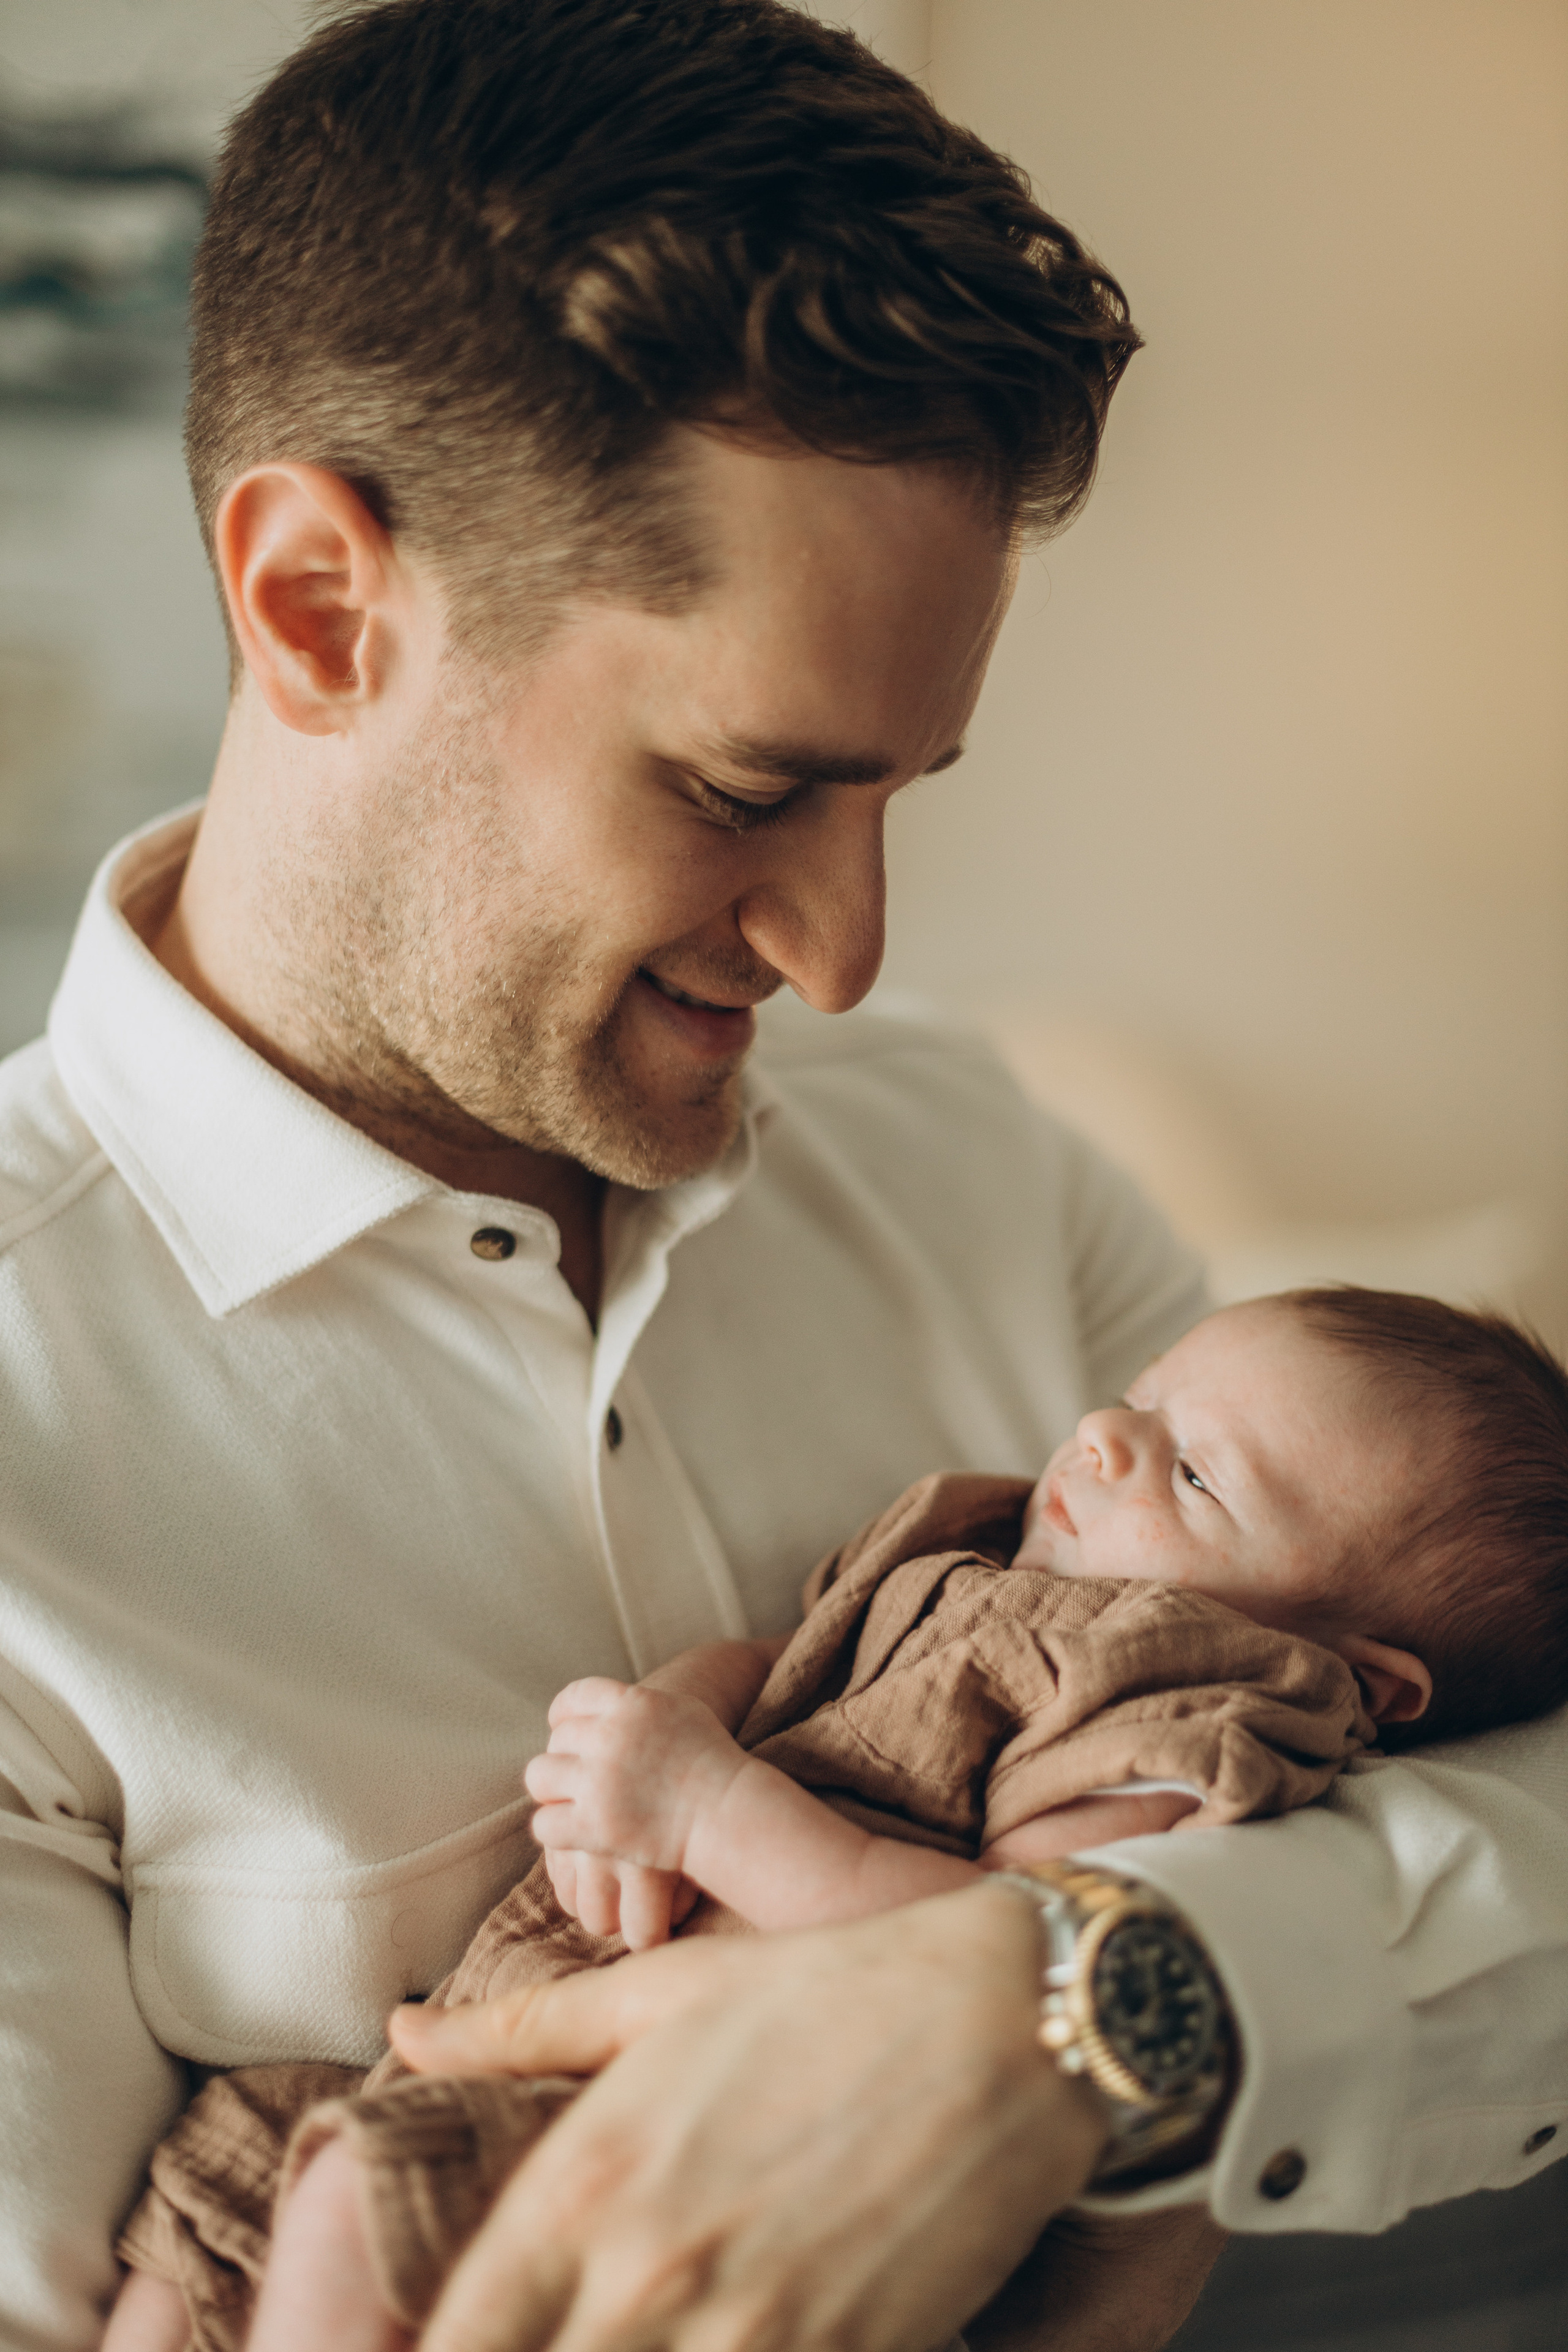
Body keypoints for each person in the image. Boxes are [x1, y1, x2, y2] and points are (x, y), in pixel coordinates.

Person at [1, 4, 1566, 2351]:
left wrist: (1095, 2006)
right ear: (323, 610)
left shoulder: (977, 1167)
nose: (847, 958)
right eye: (748, 790)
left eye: (896, 795)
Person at [106, 1286, 1568, 2350]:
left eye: (1192, 1473)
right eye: (1140, 1395)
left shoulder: (1178, 1699)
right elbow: (780, 1663)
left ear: (1365, 1680)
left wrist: (714, 1808)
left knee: (356, 2200)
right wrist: (665, 1721)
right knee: (227, 2178)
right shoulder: (979, 1546)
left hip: (728, 2144)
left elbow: (986, 1957)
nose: (1100, 1435)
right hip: (497, 2056)